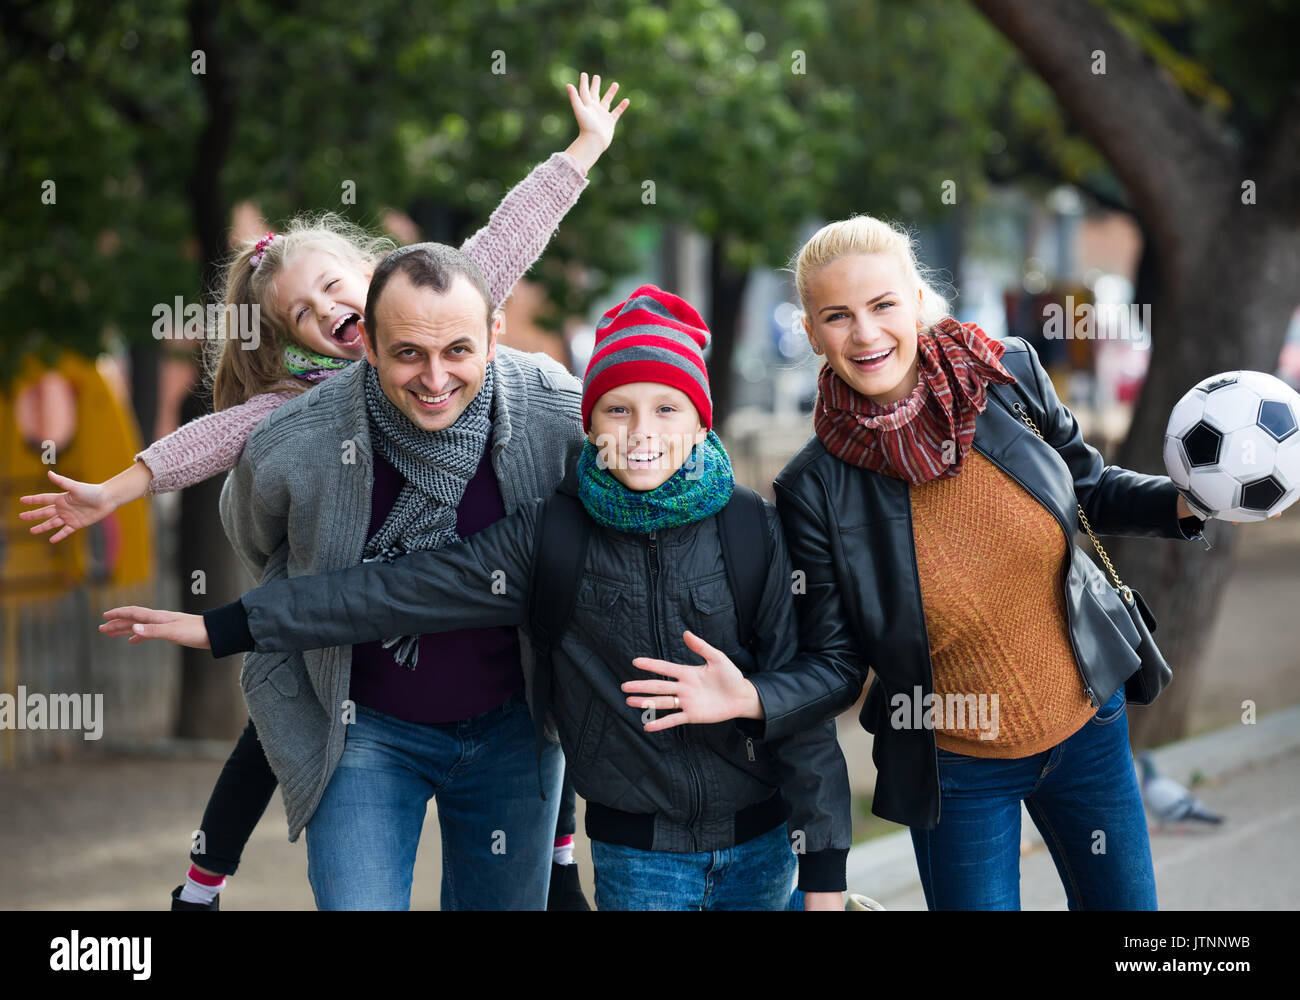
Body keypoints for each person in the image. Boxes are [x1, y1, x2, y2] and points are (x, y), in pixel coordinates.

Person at [34, 73, 627, 910]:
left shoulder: (469, 330)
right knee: (274, 732)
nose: (327, 310)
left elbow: (512, 232)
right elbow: (216, 437)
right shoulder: (300, 413)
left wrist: (584, 149)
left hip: (503, 715)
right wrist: (117, 487)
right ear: (291, 338)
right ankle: (202, 885)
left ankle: (558, 855)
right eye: (304, 312)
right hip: (364, 715)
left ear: (377, 278)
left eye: (335, 288)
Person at [102, 284, 857, 911]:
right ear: (587, 424)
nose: (642, 432)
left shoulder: (752, 530)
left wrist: (822, 867)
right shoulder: (551, 534)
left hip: (764, 845)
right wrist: (230, 625)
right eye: (619, 409)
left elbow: (810, 705)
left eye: (667, 409)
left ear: (701, 423)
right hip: (637, 856)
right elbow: (393, 592)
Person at [622, 214, 1222, 910]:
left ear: (915, 300)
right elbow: (839, 660)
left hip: (1088, 720)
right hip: (958, 767)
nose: (866, 333)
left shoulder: (1008, 376)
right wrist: (756, 696)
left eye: (882, 305)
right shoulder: (812, 487)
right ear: (813, 334)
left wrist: (1185, 504)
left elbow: (1087, 487)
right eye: (838, 316)